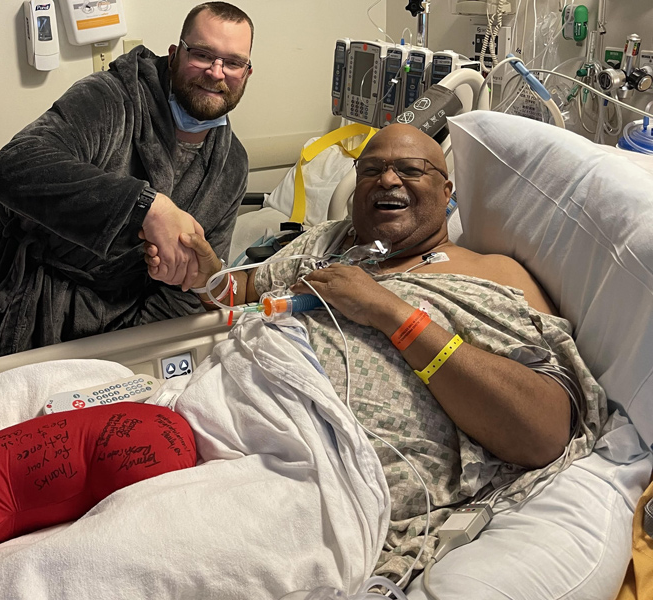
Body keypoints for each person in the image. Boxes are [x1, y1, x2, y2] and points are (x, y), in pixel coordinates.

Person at [143, 123, 606, 578]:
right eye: (371, 170)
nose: (387, 179)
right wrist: (207, 276)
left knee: (147, 549)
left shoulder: (492, 272)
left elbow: (543, 430)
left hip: (316, 476)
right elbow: (244, 291)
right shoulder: (327, 241)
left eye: (410, 169)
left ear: (447, 192)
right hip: (213, 415)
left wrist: (388, 311)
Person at [0, 2, 254, 383]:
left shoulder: (230, 166)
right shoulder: (112, 99)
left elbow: (188, 284)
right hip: (22, 292)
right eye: (203, 54)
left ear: (247, 72)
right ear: (176, 54)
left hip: (121, 321)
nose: (216, 72)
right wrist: (147, 208)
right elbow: (14, 167)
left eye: (233, 62)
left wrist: (135, 356)